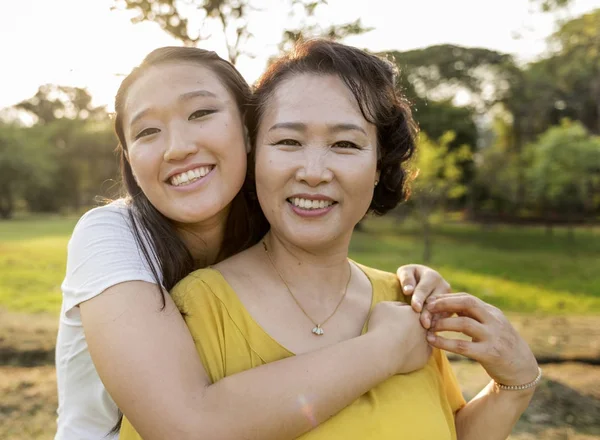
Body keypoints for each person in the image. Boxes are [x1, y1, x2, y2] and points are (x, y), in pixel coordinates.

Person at [119, 40, 540, 440]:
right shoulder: (199, 308)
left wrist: (515, 383)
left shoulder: (409, 303)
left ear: (378, 166)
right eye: (288, 142)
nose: (314, 171)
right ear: (253, 155)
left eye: (344, 144)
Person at [55, 46, 453, 439]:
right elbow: (186, 426)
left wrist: (409, 283)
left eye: (201, 113)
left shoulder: (271, 214)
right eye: (146, 132)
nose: (177, 147)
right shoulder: (111, 236)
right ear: (129, 160)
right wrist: (387, 347)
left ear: (248, 131)